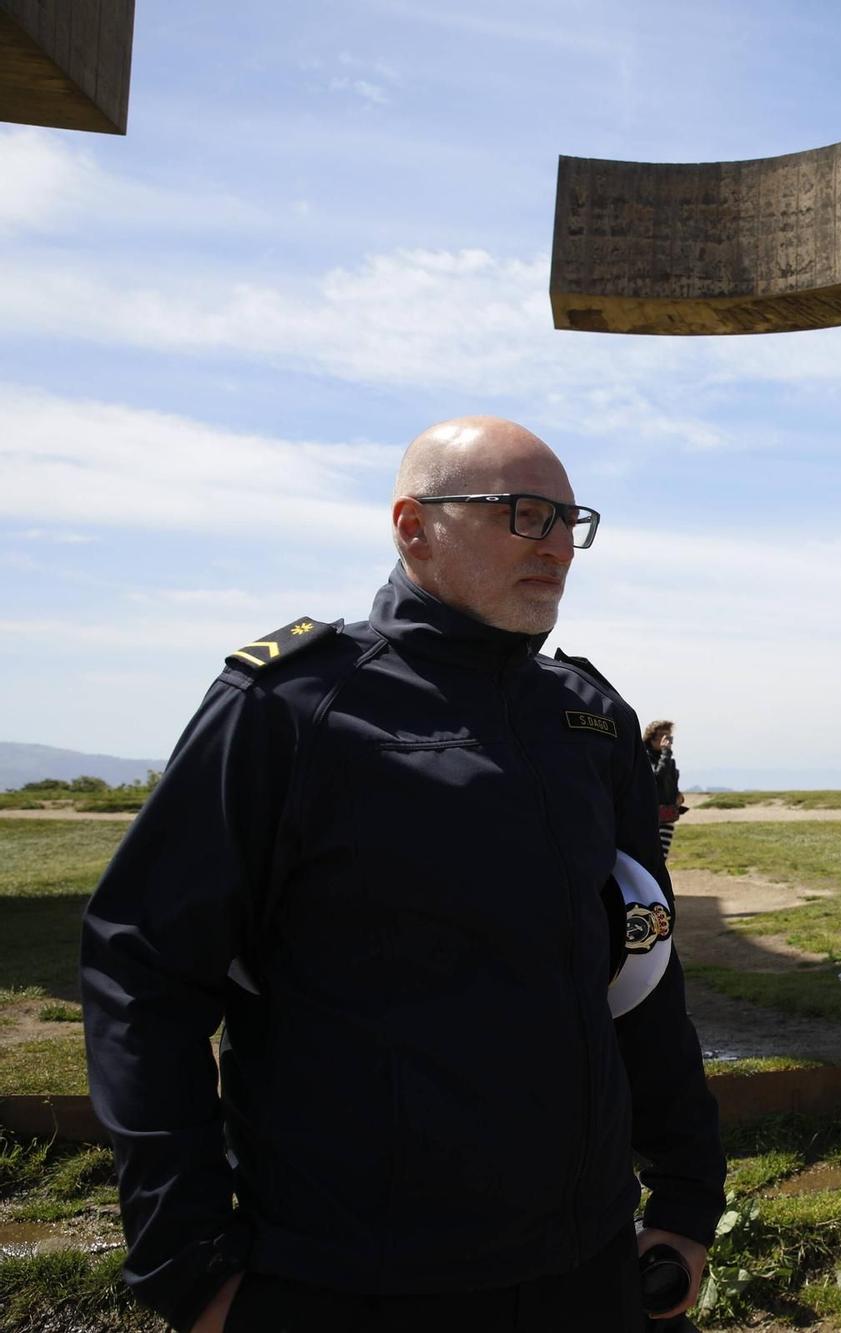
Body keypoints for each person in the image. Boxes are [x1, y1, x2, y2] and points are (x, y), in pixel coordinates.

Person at [80, 417, 725, 1333]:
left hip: (580, 1265)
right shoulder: (291, 705)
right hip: (355, 1274)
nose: (555, 545)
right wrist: (186, 1260)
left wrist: (686, 1195)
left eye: (569, 520)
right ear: (413, 526)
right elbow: (141, 968)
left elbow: (641, 963)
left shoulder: (587, 719)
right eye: (524, 513)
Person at [646, 719, 687, 861]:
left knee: (661, 857)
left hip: (667, 814)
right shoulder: (644, 757)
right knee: (653, 858)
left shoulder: (668, 758)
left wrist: (678, 796)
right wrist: (665, 752)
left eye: (669, 737)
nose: (666, 740)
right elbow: (656, 777)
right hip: (650, 816)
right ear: (651, 738)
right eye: (662, 736)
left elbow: (669, 783)